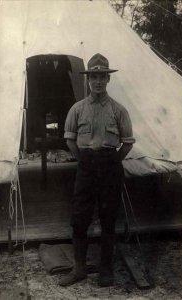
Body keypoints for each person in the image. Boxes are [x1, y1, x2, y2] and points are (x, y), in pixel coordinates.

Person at [59, 53, 135, 287]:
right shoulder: (77, 109)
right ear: (88, 79)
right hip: (86, 168)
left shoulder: (118, 110)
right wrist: (85, 160)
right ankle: (79, 268)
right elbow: (70, 140)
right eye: (94, 76)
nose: (98, 81)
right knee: (79, 219)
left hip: (110, 167)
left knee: (108, 219)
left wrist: (111, 160)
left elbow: (128, 142)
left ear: (108, 79)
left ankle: (106, 270)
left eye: (103, 76)